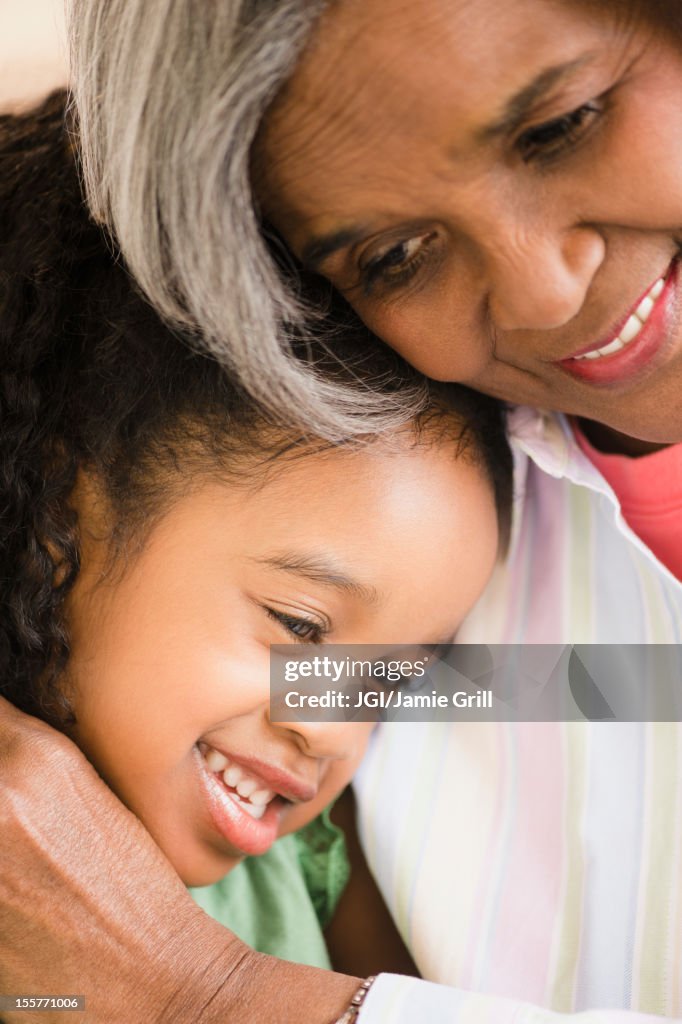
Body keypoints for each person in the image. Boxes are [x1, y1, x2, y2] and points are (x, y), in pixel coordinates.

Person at [2, 0, 682, 1021]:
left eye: (562, 123)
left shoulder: (309, 870)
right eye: (394, 257)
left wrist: (206, 993)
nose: (541, 294)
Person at [0, 94, 511, 1013]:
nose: (330, 731)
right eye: (303, 628)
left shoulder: (324, 875)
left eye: (388, 687)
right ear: (59, 519)